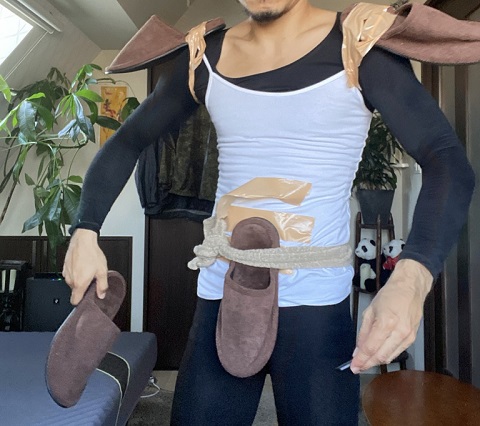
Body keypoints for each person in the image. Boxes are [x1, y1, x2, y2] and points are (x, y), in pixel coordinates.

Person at [62, 0, 475, 424]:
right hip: (223, 297)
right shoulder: (204, 56)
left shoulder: (360, 47)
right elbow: (127, 141)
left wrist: (411, 280)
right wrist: (85, 232)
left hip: (317, 309)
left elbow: (447, 162)